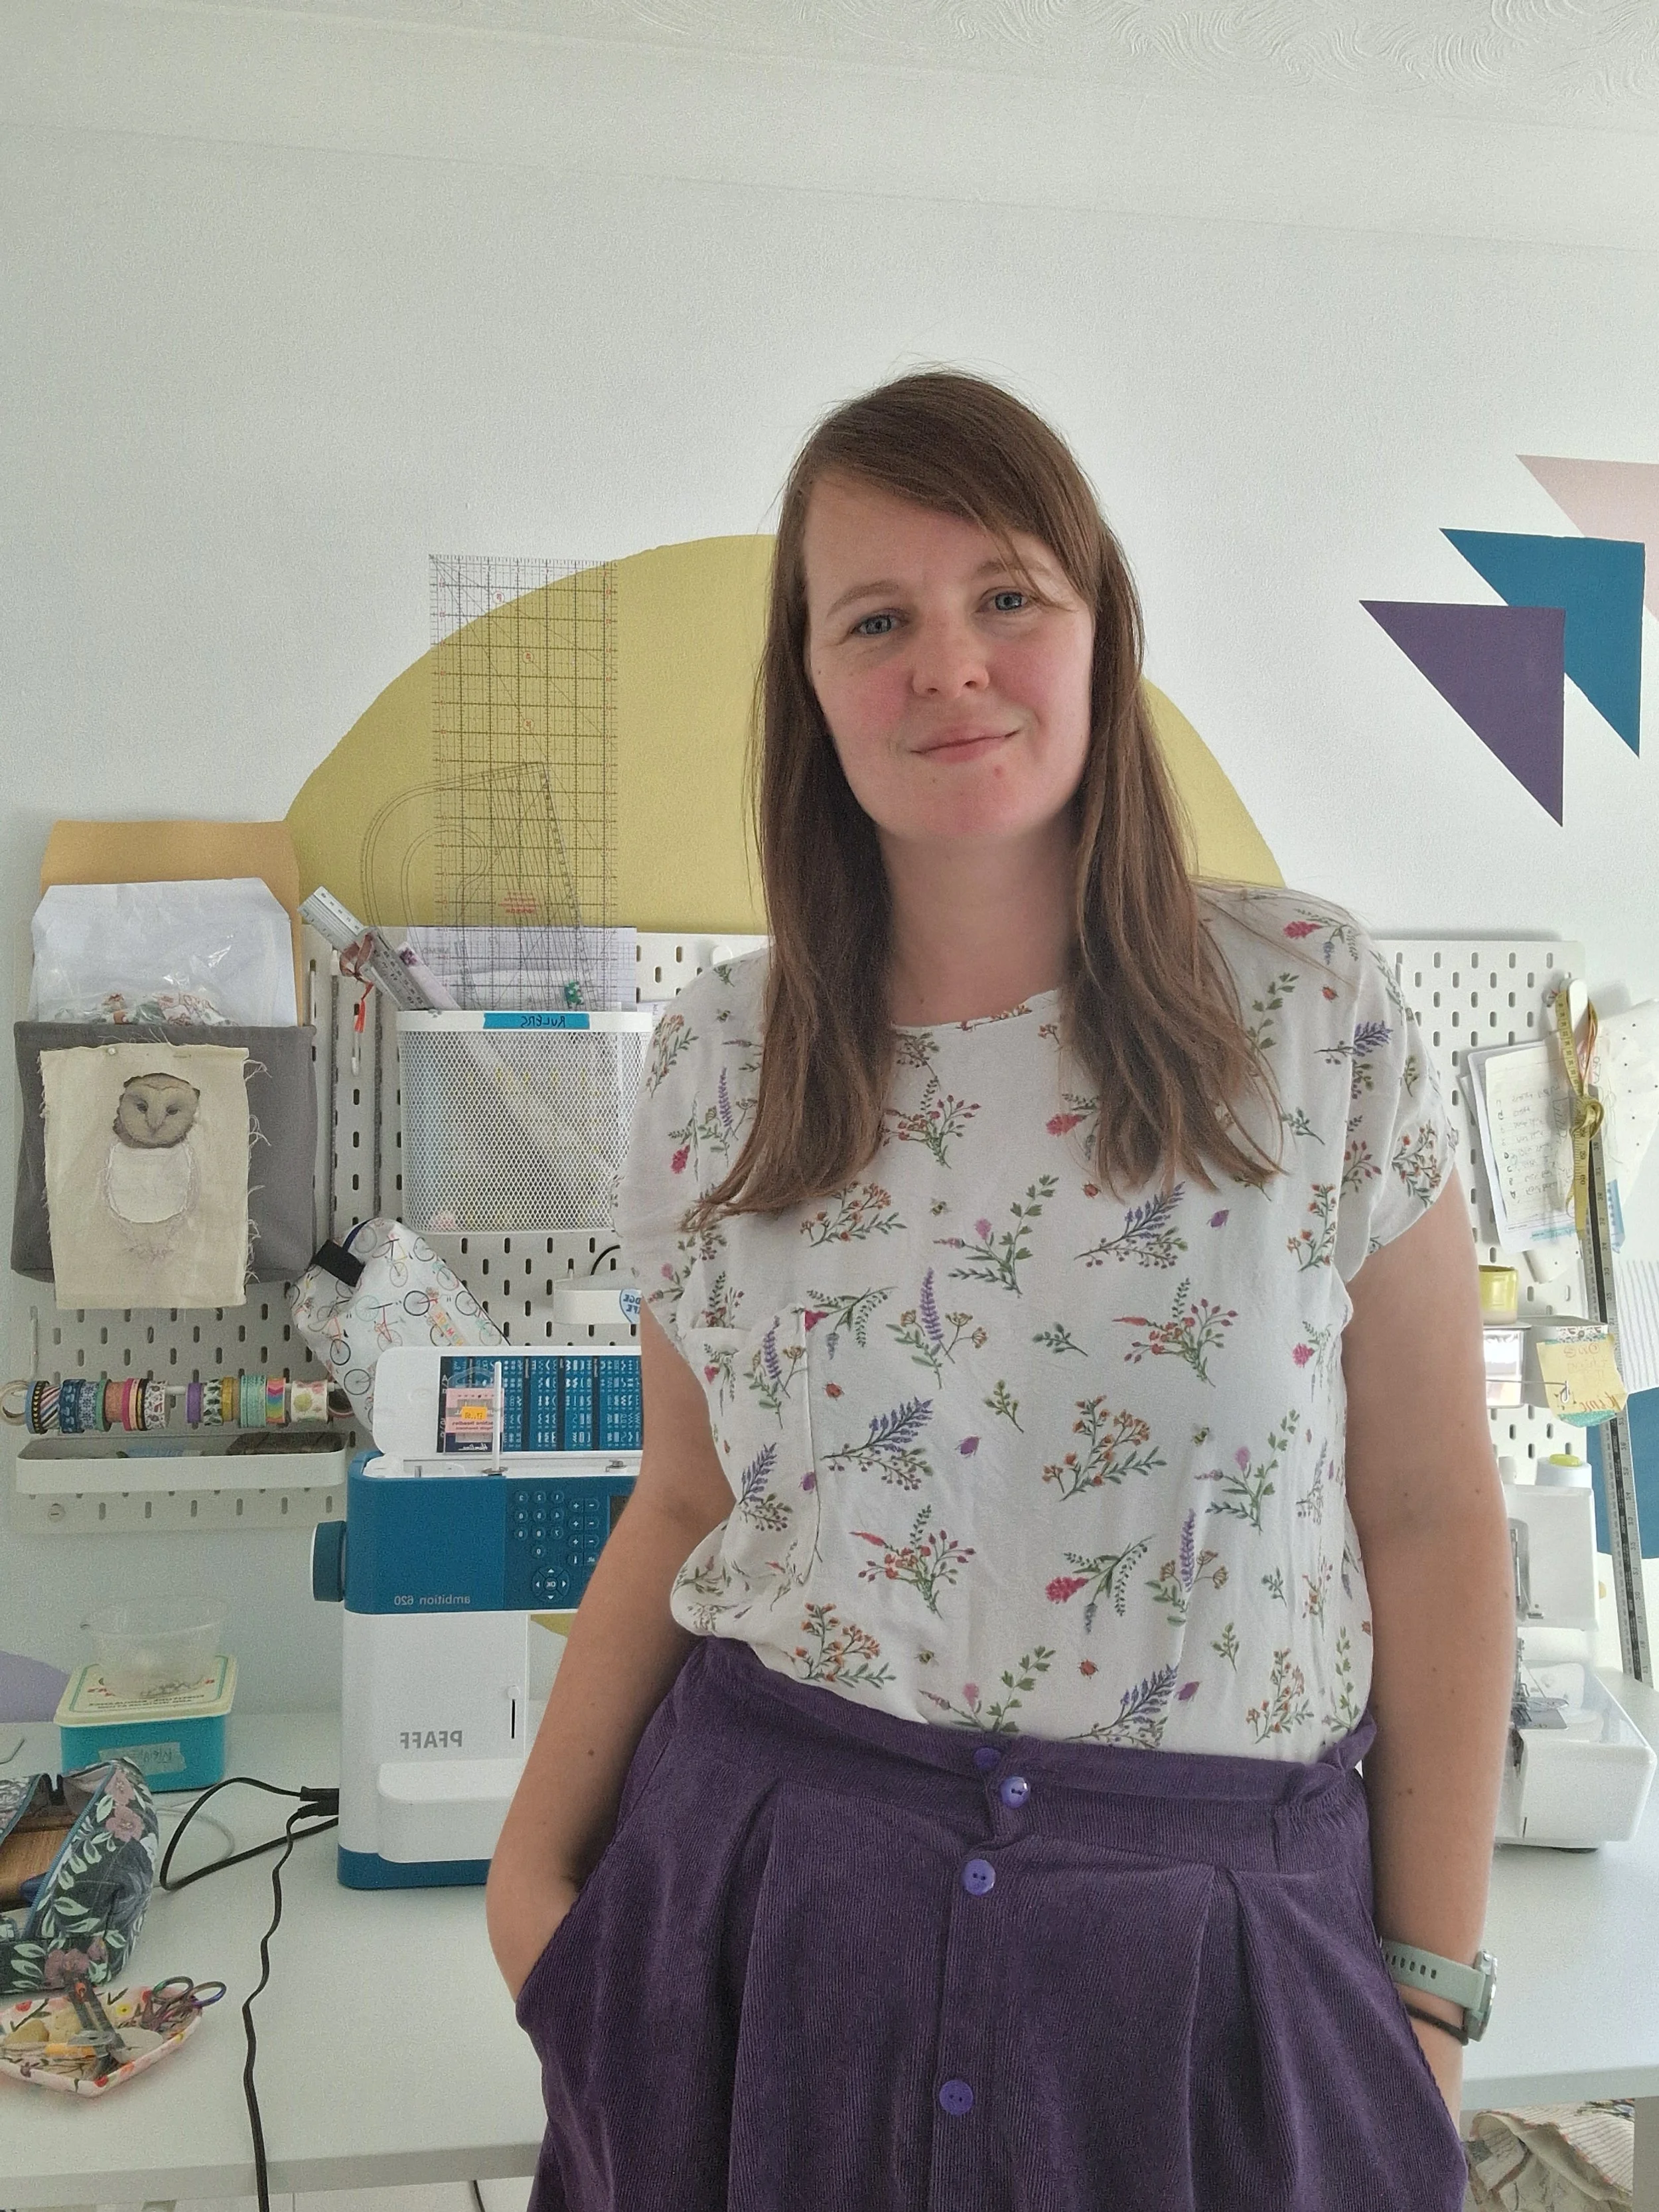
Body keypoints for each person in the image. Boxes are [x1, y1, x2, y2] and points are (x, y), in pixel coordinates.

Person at [486, 368, 1517, 2211]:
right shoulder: (720, 1061)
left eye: (1006, 598)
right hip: (766, 1927)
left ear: (1098, 626)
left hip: (1210, 1963)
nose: (945, 665)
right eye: (874, 618)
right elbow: (685, 1498)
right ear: (806, 683)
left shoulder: (1311, 1013)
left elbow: (1433, 1516)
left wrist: (1430, 1999)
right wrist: (531, 1885)